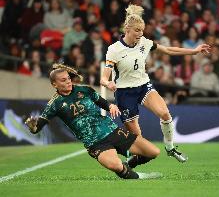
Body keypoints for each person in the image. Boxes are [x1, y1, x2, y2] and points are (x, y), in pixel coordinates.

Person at [100, 4, 211, 163]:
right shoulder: (114, 49)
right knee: (140, 140)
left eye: (142, 30)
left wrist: (194, 51)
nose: (140, 33)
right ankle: (130, 163)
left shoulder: (144, 42)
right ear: (127, 30)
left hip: (143, 86)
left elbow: (168, 50)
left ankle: (170, 147)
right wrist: (108, 84)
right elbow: (103, 78)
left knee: (165, 114)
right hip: (124, 93)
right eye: (137, 30)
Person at [25, 65, 161, 180]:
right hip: (95, 143)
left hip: (112, 131)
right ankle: (139, 177)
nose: (68, 82)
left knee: (154, 152)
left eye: (68, 78)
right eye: (63, 80)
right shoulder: (54, 104)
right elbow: (37, 128)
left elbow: (102, 102)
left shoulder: (84, 90)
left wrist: (111, 106)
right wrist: (33, 127)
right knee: (116, 166)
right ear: (54, 84)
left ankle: (130, 163)